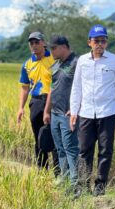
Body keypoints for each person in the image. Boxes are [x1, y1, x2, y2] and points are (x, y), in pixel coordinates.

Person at [70, 24, 115, 197]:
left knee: (105, 150)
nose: (100, 44)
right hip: (86, 113)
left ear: (107, 42)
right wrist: (74, 111)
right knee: (84, 150)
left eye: (103, 41)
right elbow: (77, 87)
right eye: (96, 41)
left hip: (107, 112)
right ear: (89, 42)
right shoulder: (82, 61)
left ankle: (100, 187)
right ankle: (82, 185)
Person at [17, 31, 59, 174]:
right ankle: (42, 172)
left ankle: (58, 173)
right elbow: (24, 88)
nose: (34, 46)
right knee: (39, 138)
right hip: (35, 102)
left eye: (37, 42)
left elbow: (60, 82)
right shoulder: (27, 65)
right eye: (32, 43)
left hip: (53, 101)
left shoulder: (54, 60)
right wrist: (21, 108)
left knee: (55, 137)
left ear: (44, 43)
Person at [43, 35, 79, 193]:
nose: (51, 52)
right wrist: (46, 110)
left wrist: (76, 107)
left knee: (70, 148)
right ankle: (64, 178)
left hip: (67, 114)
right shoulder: (57, 64)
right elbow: (52, 88)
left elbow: (83, 87)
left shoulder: (77, 63)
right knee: (60, 148)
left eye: (53, 48)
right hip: (55, 113)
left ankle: (75, 182)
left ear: (64, 46)